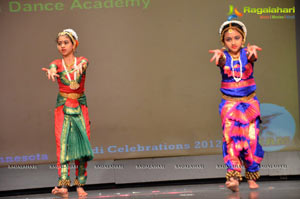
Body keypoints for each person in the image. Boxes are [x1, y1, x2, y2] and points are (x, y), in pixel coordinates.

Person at [209, 20, 264, 192]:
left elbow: (253, 58)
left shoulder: (247, 54)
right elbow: (221, 61)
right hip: (230, 105)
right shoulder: (223, 56)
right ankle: (233, 177)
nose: (233, 42)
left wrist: (253, 53)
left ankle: (252, 176)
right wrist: (220, 58)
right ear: (223, 42)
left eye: (237, 38)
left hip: (249, 104)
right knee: (231, 140)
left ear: (243, 38)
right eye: (228, 39)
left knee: (251, 140)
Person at [42, 29, 94, 198]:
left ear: (74, 44)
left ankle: (80, 186)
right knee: (62, 145)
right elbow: (52, 67)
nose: (62, 46)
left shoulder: (82, 60)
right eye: (60, 43)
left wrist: (80, 66)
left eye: (66, 42)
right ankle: (63, 185)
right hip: (63, 107)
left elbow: (85, 63)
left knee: (81, 145)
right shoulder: (56, 63)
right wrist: (50, 71)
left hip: (79, 106)